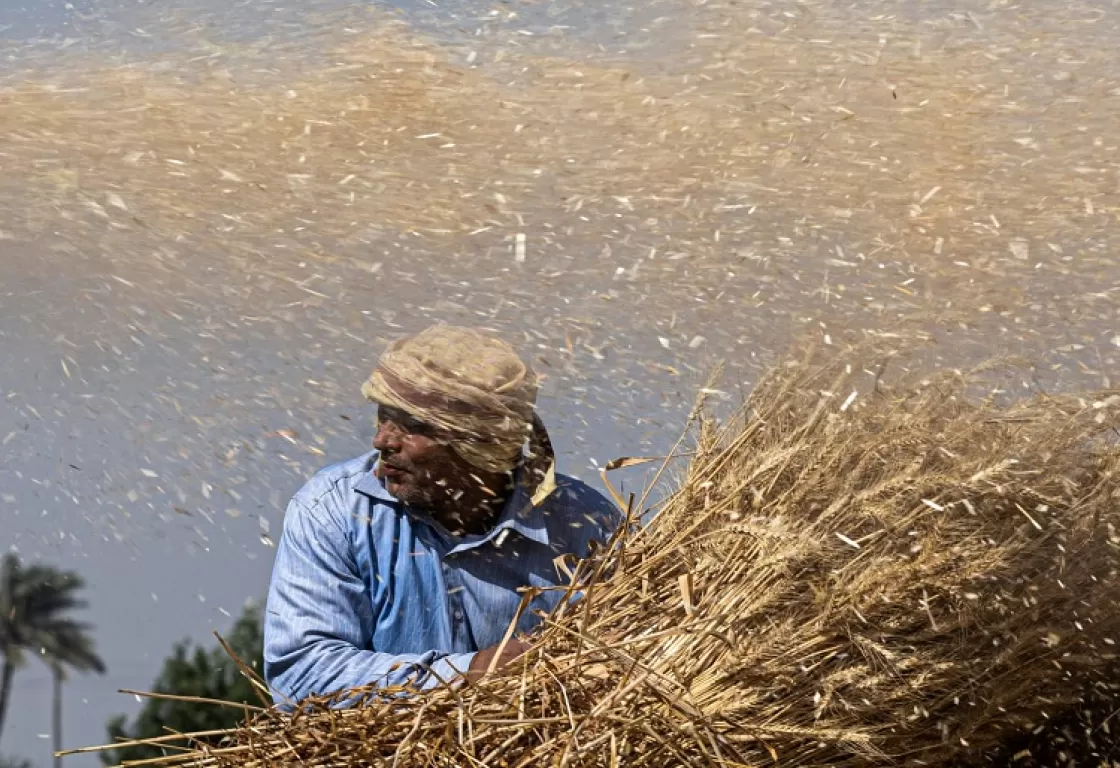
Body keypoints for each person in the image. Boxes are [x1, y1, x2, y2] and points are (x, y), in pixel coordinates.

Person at [263, 324, 621, 708]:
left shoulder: (586, 525)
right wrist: (468, 674)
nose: (382, 440)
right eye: (384, 416)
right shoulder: (333, 510)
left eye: (411, 426)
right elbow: (300, 675)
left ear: (479, 447)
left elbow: (628, 659)